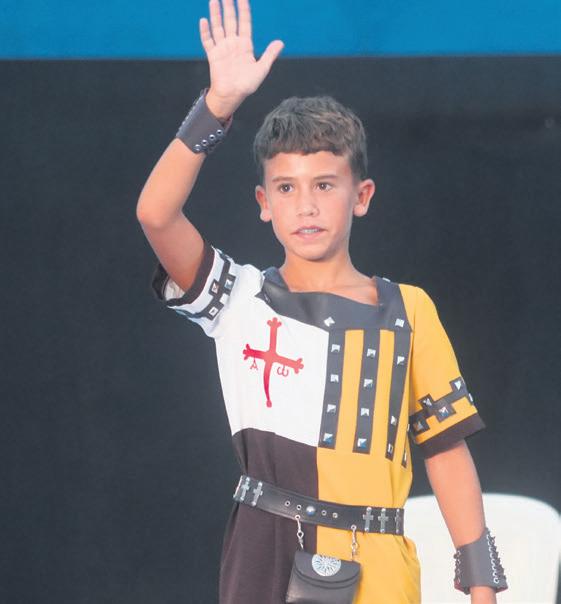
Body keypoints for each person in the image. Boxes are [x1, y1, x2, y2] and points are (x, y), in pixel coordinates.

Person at [136, 0, 507, 602]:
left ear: (362, 195)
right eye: (286, 187)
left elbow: (444, 446)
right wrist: (218, 106)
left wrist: (482, 584)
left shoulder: (409, 310)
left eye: (325, 185)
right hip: (266, 554)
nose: (305, 206)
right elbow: (156, 214)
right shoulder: (239, 298)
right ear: (264, 203)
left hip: (381, 562)